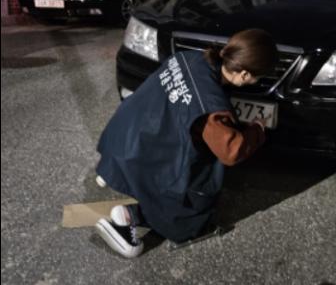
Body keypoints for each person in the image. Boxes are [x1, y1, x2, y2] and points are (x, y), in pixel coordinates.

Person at [94, 29, 278, 257]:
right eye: (258, 78)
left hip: (124, 133)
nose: (256, 82)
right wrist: (257, 129)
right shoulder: (210, 106)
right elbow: (231, 151)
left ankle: (120, 183)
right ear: (244, 74)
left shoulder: (190, 57)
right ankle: (126, 223)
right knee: (190, 216)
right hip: (142, 152)